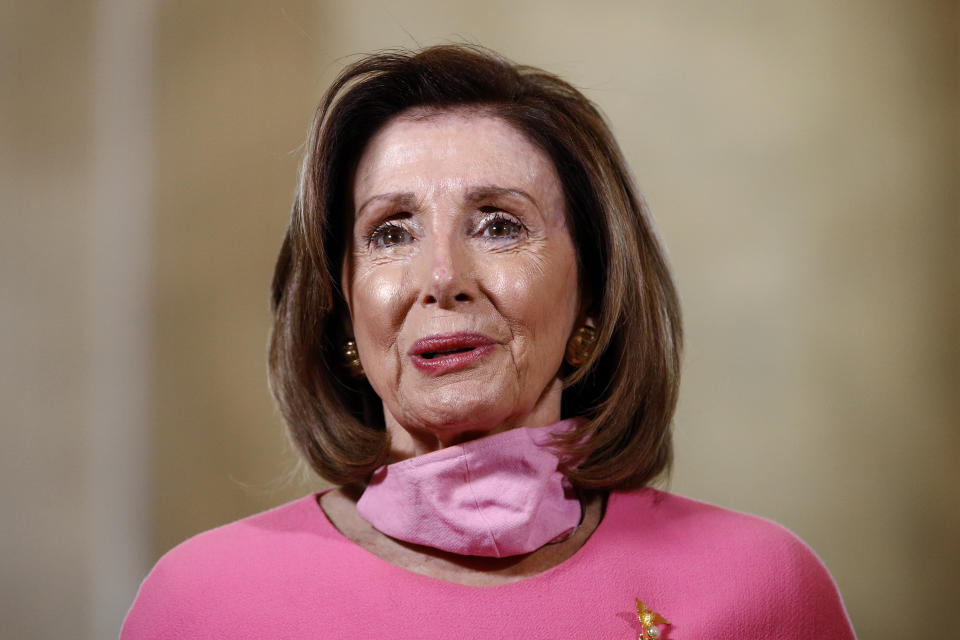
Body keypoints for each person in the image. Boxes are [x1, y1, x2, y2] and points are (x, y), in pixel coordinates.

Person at [121, 45, 856, 639]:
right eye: (390, 232)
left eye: (500, 224)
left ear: (593, 294)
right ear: (343, 309)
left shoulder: (765, 590)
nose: (442, 276)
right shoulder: (203, 604)